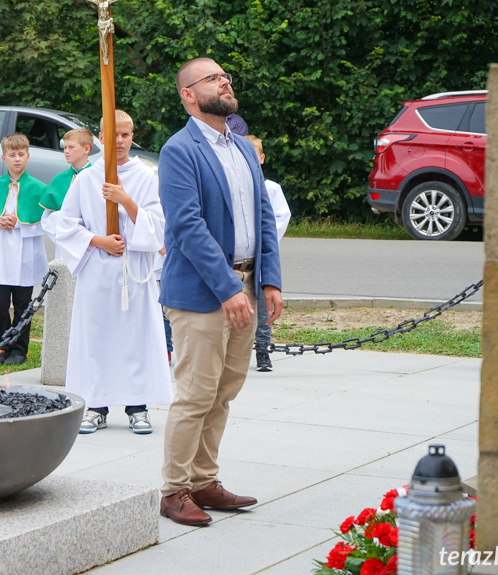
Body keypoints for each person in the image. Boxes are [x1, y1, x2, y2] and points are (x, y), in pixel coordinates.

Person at [157, 57, 283, 526]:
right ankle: (174, 491)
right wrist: (230, 288)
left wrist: (268, 279)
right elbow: (187, 227)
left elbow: (264, 217)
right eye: (211, 78)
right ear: (188, 94)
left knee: (225, 391)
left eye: (225, 76)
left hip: (245, 284)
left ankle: (204, 481)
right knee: (195, 394)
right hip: (200, 292)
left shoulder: (243, 148)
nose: (224, 81)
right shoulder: (179, 150)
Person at [55, 109, 172, 435]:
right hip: (97, 271)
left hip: (132, 271)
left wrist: (125, 200)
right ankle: (97, 406)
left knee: (135, 338)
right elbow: (65, 226)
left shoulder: (146, 177)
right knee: (98, 337)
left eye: (126, 135)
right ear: (101, 138)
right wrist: (99, 240)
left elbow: (159, 226)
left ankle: (138, 406)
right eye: (113, 135)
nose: (120, 141)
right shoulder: (87, 177)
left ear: (132, 136)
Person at [0, 133, 49, 366]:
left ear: (27, 156)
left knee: (22, 304)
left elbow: (45, 222)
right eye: (11, 155)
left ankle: (19, 349)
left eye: (20, 154)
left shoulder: (38, 188)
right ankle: (2, 346)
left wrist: (20, 223)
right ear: (3, 158)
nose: (16, 159)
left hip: (26, 252)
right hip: (1, 252)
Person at [245, 135, 290, 372]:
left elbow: (281, 217)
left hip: (262, 255)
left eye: (255, 155)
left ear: (262, 158)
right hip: (239, 257)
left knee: (264, 305)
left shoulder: (271, 188)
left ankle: (263, 349)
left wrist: (266, 242)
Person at [39, 128, 93, 259]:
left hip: (91, 244)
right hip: (64, 245)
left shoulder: (97, 177)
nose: (66, 151)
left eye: (71, 147)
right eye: (65, 148)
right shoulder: (59, 179)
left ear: (86, 149)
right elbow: (47, 218)